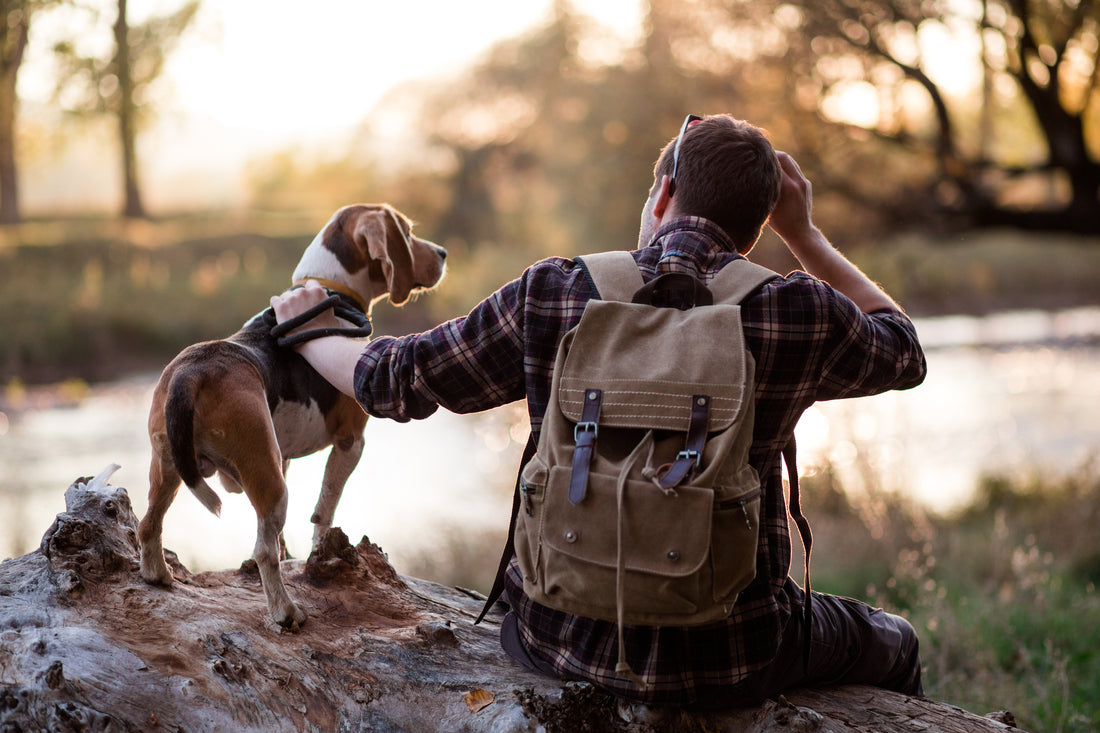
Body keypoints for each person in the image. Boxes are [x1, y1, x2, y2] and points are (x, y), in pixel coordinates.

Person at [270, 114, 928, 708]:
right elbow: (904, 350)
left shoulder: (558, 290)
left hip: (557, 638)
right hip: (740, 654)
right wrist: (805, 230)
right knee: (895, 640)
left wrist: (312, 327)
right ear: (758, 228)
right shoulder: (796, 311)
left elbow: (394, 379)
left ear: (663, 195)